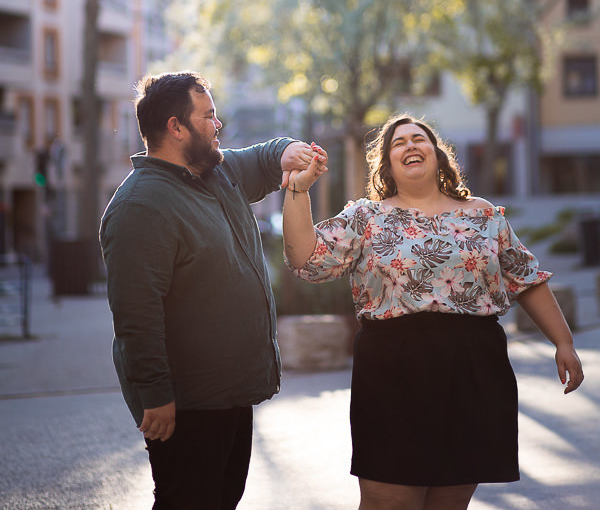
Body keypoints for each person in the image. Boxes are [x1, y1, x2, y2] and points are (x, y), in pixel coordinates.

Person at [283, 115, 584, 510]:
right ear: (386, 165)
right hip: (392, 368)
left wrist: (564, 342)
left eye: (419, 138)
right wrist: (298, 192)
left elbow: (526, 277)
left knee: (450, 499)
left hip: (474, 367)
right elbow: (307, 259)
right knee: (386, 498)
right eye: (398, 143)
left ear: (438, 155)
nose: (410, 145)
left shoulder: (483, 215)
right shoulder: (365, 218)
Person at [100, 70, 323, 510]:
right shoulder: (139, 206)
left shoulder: (214, 171)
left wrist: (289, 150)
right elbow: (136, 316)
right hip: (187, 405)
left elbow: (263, 157)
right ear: (175, 127)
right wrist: (156, 396)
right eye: (208, 116)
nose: (217, 125)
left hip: (231, 395)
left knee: (222, 500)